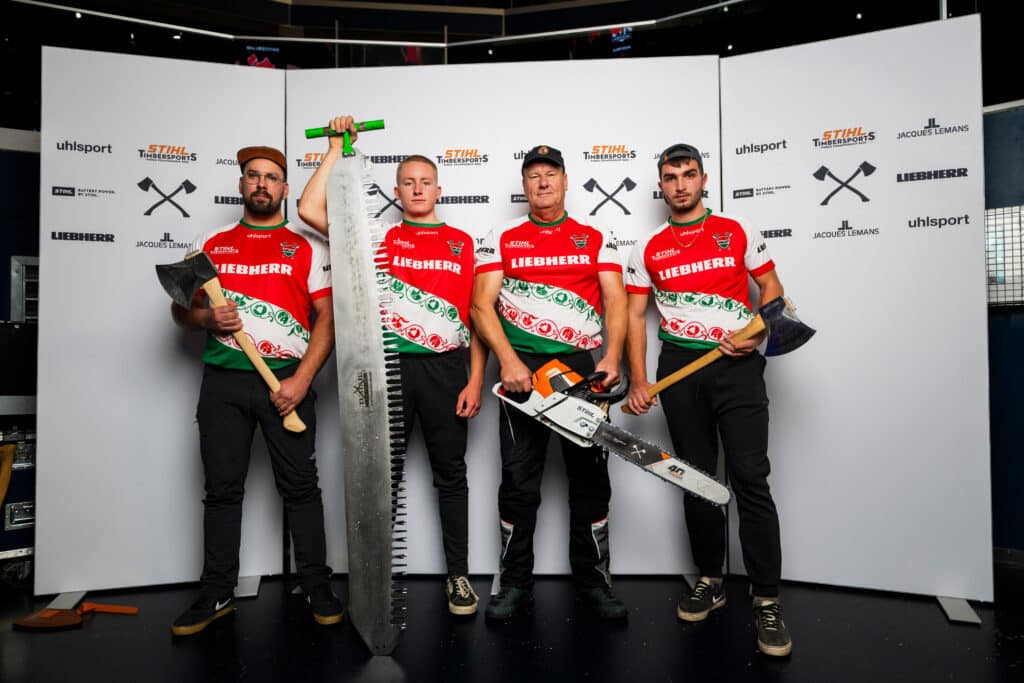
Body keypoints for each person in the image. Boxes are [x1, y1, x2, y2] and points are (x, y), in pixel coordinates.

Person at [297, 116, 487, 615]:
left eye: (426, 182)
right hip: (388, 371)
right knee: (382, 478)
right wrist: (336, 148)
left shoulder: (465, 242)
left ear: (439, 190)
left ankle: (459, 576)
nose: (418, 189)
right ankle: (375, 584)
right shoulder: (375, 237)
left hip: (447, 371)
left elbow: (478, 318)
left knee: (452, 476)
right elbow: (309, 209)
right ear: (396, 192)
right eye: (408, 182)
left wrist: (474, 380)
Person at [624, 143, 792, 656]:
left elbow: (773, 290)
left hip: (737, 367)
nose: (680, 185)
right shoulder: (647, 246)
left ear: (703, 179)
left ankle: (766, 600)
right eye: (671, 177)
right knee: (696, 479)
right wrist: (638, 379)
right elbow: (634, 316)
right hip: (680, 369)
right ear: (661, 185)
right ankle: (710, 581)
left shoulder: (736, 229)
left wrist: (755, 331)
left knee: (750, 478)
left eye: (688, 174)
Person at [169, 145, 342, 636]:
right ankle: (217, 591)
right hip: (222, 384)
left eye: (271, 177)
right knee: (222, 492)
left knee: (301, 490)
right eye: (253, 176)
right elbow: (180, 309)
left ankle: (317, 585)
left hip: (286, 382)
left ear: (285, 189)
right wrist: (206, 317)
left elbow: (327, 319)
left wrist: (302, 380)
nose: (261, 184)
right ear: (241, 185)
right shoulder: (210, 243)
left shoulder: (307, 246)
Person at [471, 144, 629, 621]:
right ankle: (515, 584)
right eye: (533, 175)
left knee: (590, 482)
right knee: (518, 485)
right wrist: (508, 361)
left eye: (551, 174)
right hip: (521, 375)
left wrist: (612, 358)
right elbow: (480, 305)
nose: (542, 182)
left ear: (565, 181)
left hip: (582, 370)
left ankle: (595, 583)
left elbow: (616, 301)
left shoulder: (594, 234)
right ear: (525, 185)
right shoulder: (503, 235)